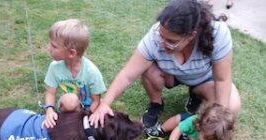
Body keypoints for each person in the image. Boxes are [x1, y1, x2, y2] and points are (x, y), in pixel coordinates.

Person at [89, 0, 240, 128]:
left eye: (171, 41)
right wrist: (105, 104)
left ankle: (196, 95)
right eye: (162, 36)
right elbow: (127, 75)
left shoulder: (218, 33)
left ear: (191, 35)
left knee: (231, 106)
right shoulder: (154, 36)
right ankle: (156, 104)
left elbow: (222, 79)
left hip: (203, 81)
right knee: (147, 68)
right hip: (170, 75)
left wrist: (219, 116)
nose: (162, 43)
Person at [43, 19, 106, 128]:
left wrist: (86, 116)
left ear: (71, 53)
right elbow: (50, 93)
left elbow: (96, 101)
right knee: (70, 100)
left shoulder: (91, 71)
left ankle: (73, 118)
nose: (49, 48)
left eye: (54, 46)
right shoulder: (54, 67)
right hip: (68, 103)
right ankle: (70, 116)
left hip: (88, 107)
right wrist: (49, 110)